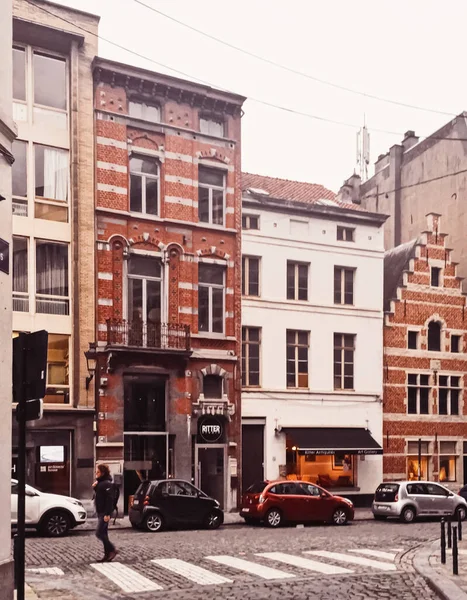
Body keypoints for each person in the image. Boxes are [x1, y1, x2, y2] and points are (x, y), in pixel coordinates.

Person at [93, 463, 118, 563]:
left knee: (99, 533)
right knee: (104, 534)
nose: (96, 474)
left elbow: (109, 500)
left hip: (104, 512)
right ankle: (107, 555)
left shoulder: (107, 483)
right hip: (101, 511)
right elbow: (100, 495)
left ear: (102, 473)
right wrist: (95, 487)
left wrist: (107, 514)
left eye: (98, 472)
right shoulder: (101, 483)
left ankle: (112, 549)